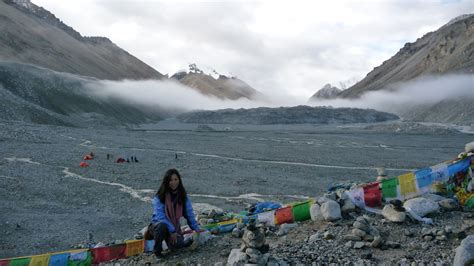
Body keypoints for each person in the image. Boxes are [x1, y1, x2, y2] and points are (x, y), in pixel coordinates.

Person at [149, 168, 200, 259]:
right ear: (166, 181)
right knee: (161, 226)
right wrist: (172, 231)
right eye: (170, 180)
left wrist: (196, 228)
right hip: (158, 226)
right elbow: (160, 216)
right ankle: (157, 251)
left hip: (174, 227)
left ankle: (177, 241)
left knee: (178, 245)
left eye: (176, 179)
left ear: (179, 180)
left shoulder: (183, 196)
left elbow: (189, 214)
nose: (173, 182)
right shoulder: (160, 196)